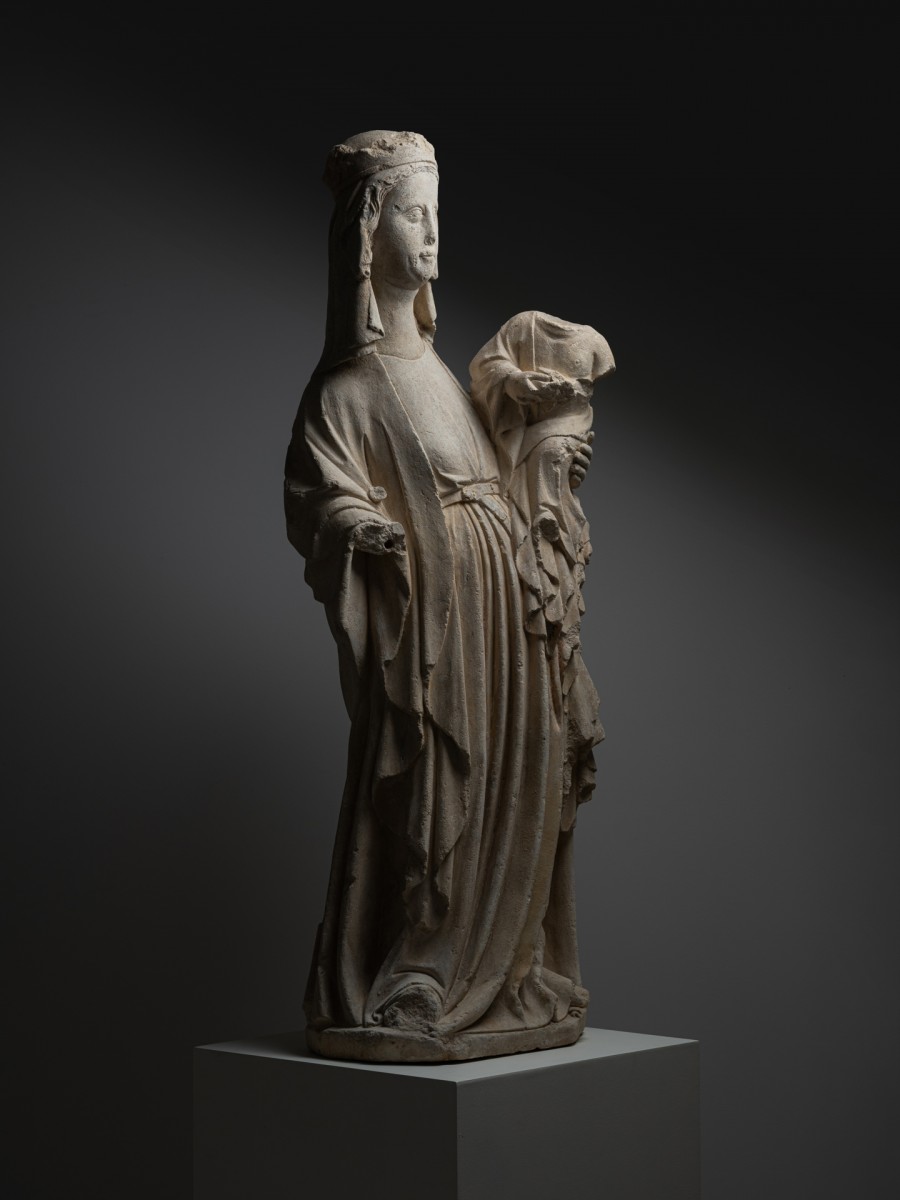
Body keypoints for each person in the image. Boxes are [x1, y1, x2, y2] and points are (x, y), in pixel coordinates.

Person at [284, 131, 605, 1062]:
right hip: (435, 624)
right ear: (369, 228)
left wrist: (548, 458)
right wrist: (361, 528)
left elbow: (500, 473)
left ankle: (507, 968)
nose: (431, 235)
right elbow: (317, 494)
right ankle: (426, 967)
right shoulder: (347, 388)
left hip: (505, 612)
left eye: (436, 216)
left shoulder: (442, 372)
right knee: (441, 784)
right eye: (414, 214)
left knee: (523, 778)